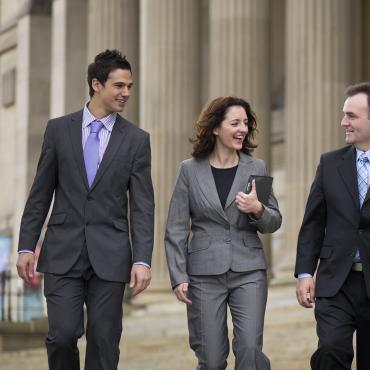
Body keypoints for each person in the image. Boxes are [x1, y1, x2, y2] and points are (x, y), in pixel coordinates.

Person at [16, 50, 154, 370]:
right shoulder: (58, 130)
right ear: (96, 84)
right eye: (119, 86)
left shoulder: (136, 140)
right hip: (63, 251)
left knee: (104, 341)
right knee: (62, 336)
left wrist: (142, 259)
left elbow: (144, 205)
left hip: (111, 253)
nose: (126, 93)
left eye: (129, 86)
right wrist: (26, 245)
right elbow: (40, 194)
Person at [165, 96, 282, 370]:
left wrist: (257, 209)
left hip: (249, 270)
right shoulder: (189, 170)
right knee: (211, 358)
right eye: (235, 123)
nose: (242, 128)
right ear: (216, 128)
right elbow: (176, 227)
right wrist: (178, 275)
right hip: (203, 275)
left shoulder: (256, 167)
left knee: (251, 350)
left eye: (245, 123)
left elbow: (273, 221)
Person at [295, 82, 370, 370]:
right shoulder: (329, 164)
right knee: (330, 351)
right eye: (344, 115)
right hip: (336, 282)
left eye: (351, 116)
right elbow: (313, 223)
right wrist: (304, 272)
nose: (343, 122)